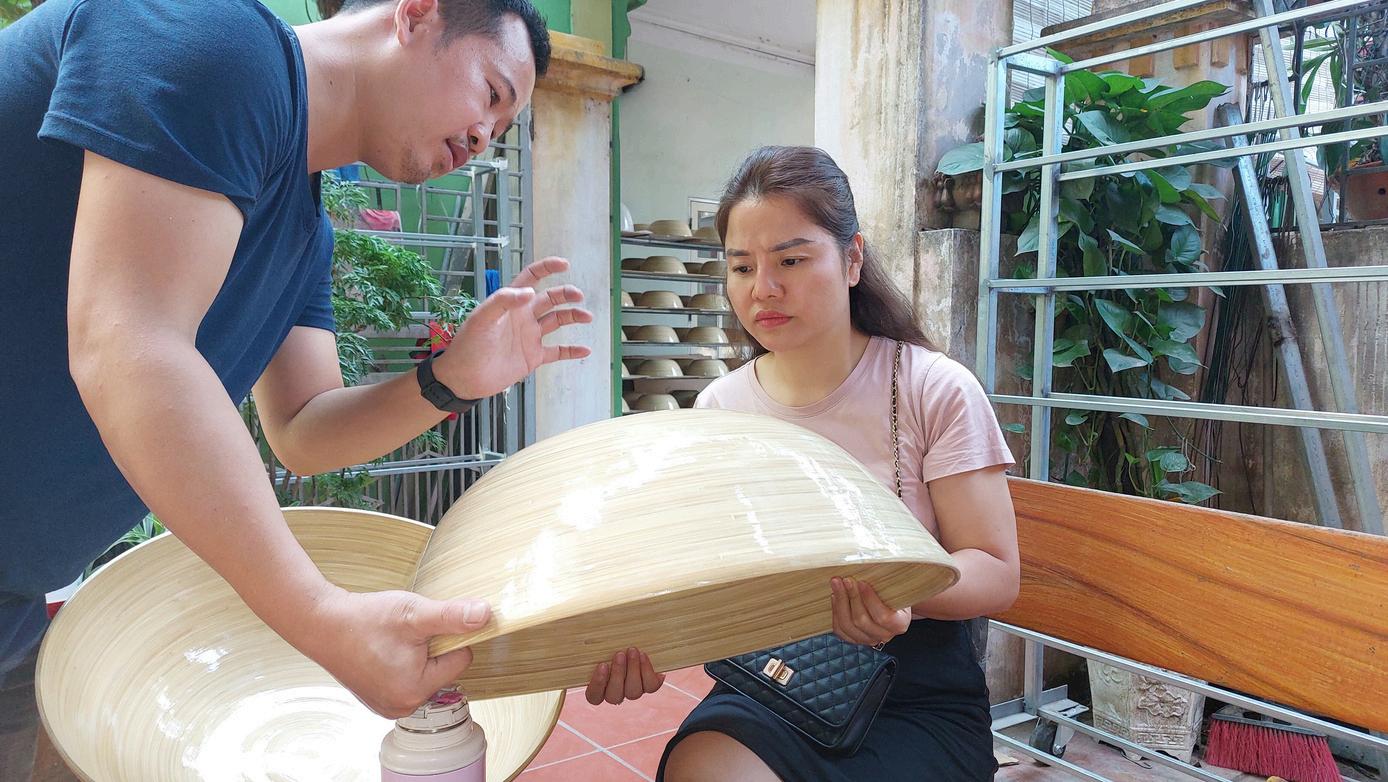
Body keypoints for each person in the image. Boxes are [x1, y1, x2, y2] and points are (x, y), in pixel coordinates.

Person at [0, 1, 590, 777]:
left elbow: (303, 430)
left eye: (503, 128)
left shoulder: (304, 240)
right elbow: (129, 342)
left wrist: (451, 380)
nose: (485, 137)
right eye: (491, 93)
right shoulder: (212, 37)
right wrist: (321, 615)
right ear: (416, 15)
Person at [586, 146, 1020, 781]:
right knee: (702, 770)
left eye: (790, 260)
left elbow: (996, 571)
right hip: (773, 678)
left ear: (852, 259)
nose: (763, 288)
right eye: (742, 266)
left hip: (915, 693)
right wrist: (643, 636)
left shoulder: (931, 388)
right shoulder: (720, 407)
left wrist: (901, 595)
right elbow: (711, 571)